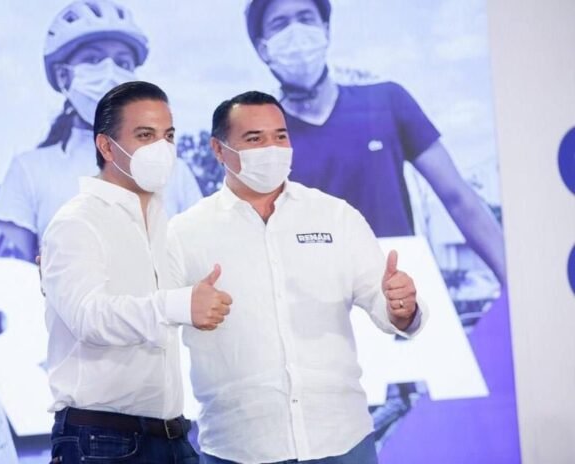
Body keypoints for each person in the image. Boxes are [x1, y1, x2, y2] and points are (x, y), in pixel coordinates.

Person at [167, 91, 426, 464]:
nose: (272, 149)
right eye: (254, 139)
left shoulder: (336, 216)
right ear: (219, 149)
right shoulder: (184, 232)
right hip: (239, 447)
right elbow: (152, 316)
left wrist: (402, 307)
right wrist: (183, 305)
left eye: (280, 136)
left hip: (342, 439)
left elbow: (388, 309)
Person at [244, 0, 506, 285]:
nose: (296, 32)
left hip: (399, 293)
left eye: (306, 18)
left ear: (326, 29)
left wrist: (516, 285)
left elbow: (459, 199)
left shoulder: (387, 102)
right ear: (263, 48)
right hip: (314, 300)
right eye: (280, 24)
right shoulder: (261, 141)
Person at [40, 81, 232, 464]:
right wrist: (179, 306)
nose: (161, 148)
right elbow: (89, 316)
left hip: (172, 436)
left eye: (168, 135)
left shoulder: (161, 221)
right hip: (101, 440)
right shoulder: (76, 221)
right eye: (145, 135)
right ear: (107, 146)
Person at [0, 0, 202, 262]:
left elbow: (199, 261)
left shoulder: (174, 172)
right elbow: (12, 273)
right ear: (63, 76)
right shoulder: (29, 171)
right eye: (93, 59)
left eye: (122, 62)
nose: (110, 73)